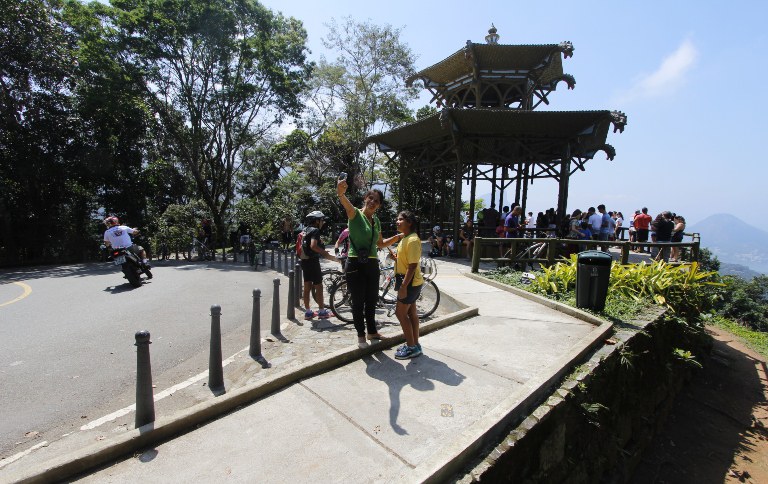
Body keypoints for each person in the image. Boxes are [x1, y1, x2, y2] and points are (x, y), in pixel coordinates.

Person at [337, 179, 402, 348]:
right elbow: (346, 204)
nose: (373, 202)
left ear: (379, 205)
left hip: (372, 264)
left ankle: (372, 331)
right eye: (370, 198)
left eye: (377, 201)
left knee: (372, 300)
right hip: (355, 263)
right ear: (365, 198)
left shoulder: (377, 221)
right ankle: (360, 335)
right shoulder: (355, 215)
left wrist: (396, 238)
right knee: (358, 301)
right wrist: (341, 193)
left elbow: (379, 244)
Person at [393, 211, 425, 360]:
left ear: (409, 222)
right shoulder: (406, 238)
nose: (397, 221)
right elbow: (407, 260)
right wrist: (397, 258)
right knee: (411, 314)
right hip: (410, 281)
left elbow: (412, 266)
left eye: (401, 219)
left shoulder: (412, 240)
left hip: (409, 282)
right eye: (397, 219)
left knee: (400, 313)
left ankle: (411, 347)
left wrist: (404, 287)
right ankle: (415, 344)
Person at [299, 211, 339, 320]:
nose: (323, 222)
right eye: (321, 220)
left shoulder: (305, 230)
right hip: (312, 261)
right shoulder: (315, 230)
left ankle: (308, 312)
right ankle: (322, 311)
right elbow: (313, 246)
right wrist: (324, 253)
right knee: (319, 286)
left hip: (304, 261)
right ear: (317, 221)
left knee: (307, 286)